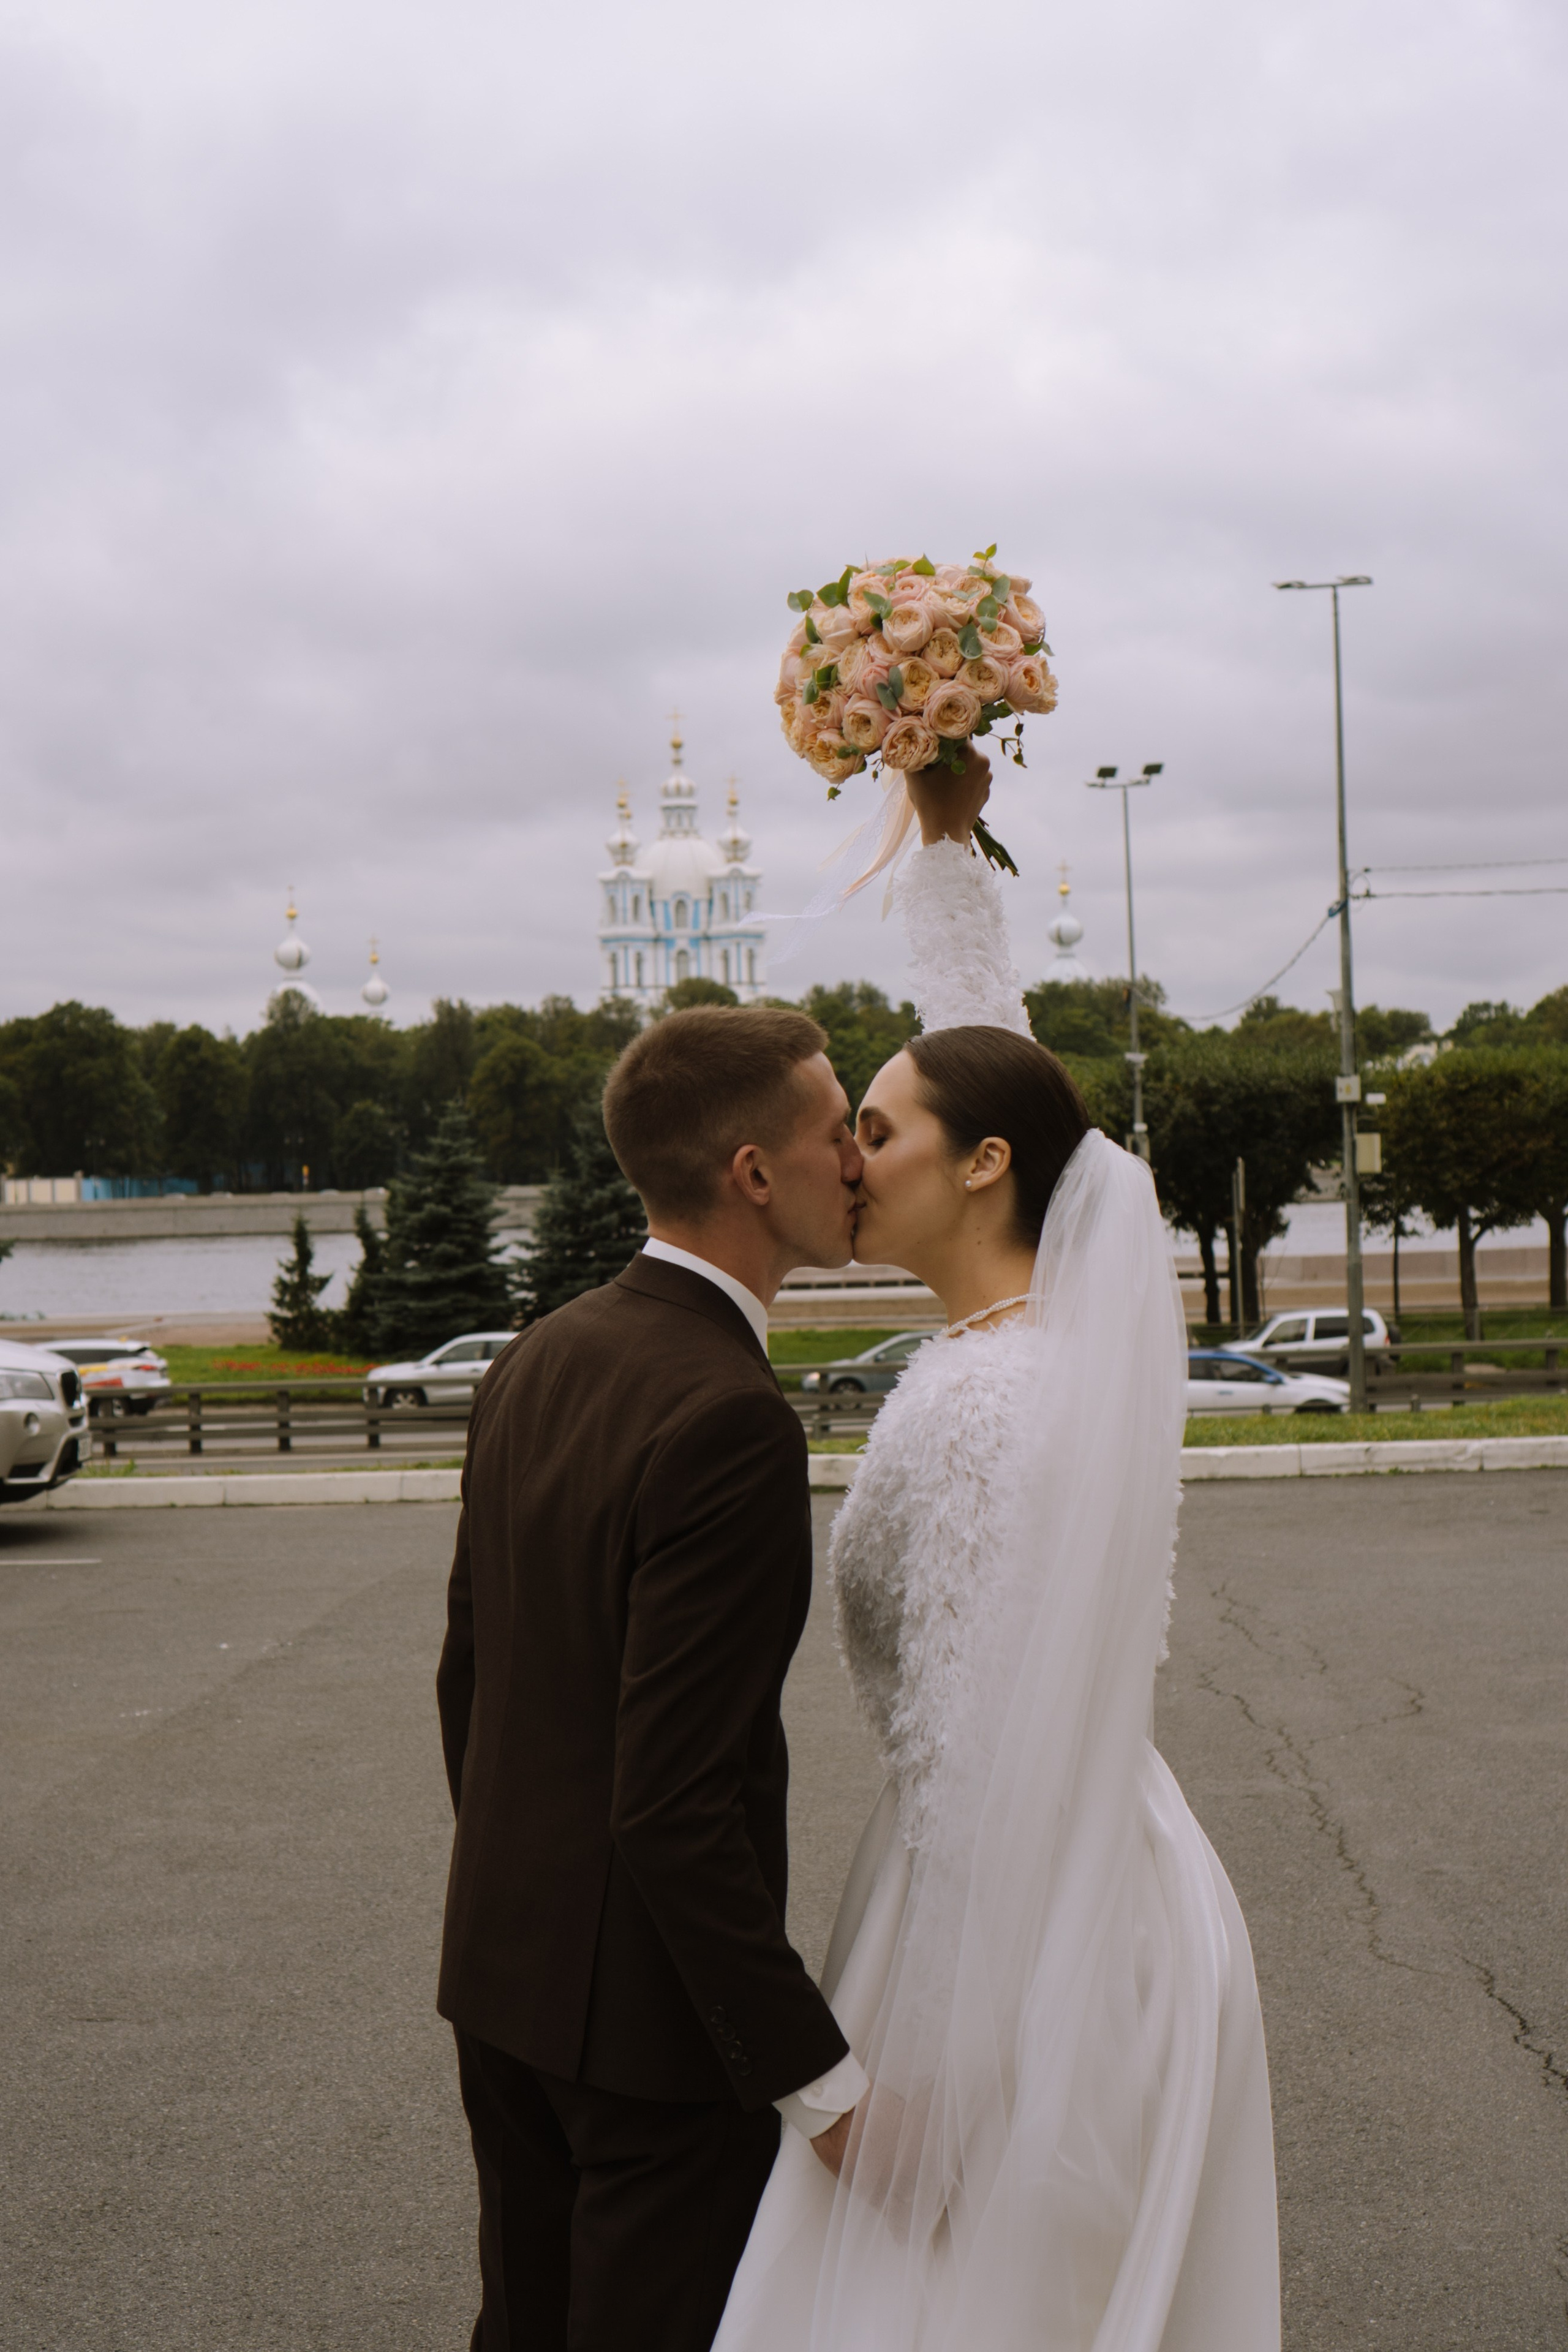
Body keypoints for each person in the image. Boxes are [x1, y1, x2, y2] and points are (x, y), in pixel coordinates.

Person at [714, 750, 1281, 2351]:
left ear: (983, 1169)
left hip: (1017, 1922)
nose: (842, 1157)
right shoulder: (1021, 1350)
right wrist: (945, 846)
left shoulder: (986, 1405)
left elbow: (976, 1755)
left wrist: (926, 2077)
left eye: (872, 1131)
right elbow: (1000, 1064)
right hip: (1110, 1883)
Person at [436, 1003, 874, 2351]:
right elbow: (675, 1804)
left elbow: (468, 1681)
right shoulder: (729, 1419)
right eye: (834, 1130)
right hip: (652, 2042)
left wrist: (532, 1909)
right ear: (752, 1173)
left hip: (503, 1983)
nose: (858, 1157)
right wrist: (817, 2080)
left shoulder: (538, 1353)